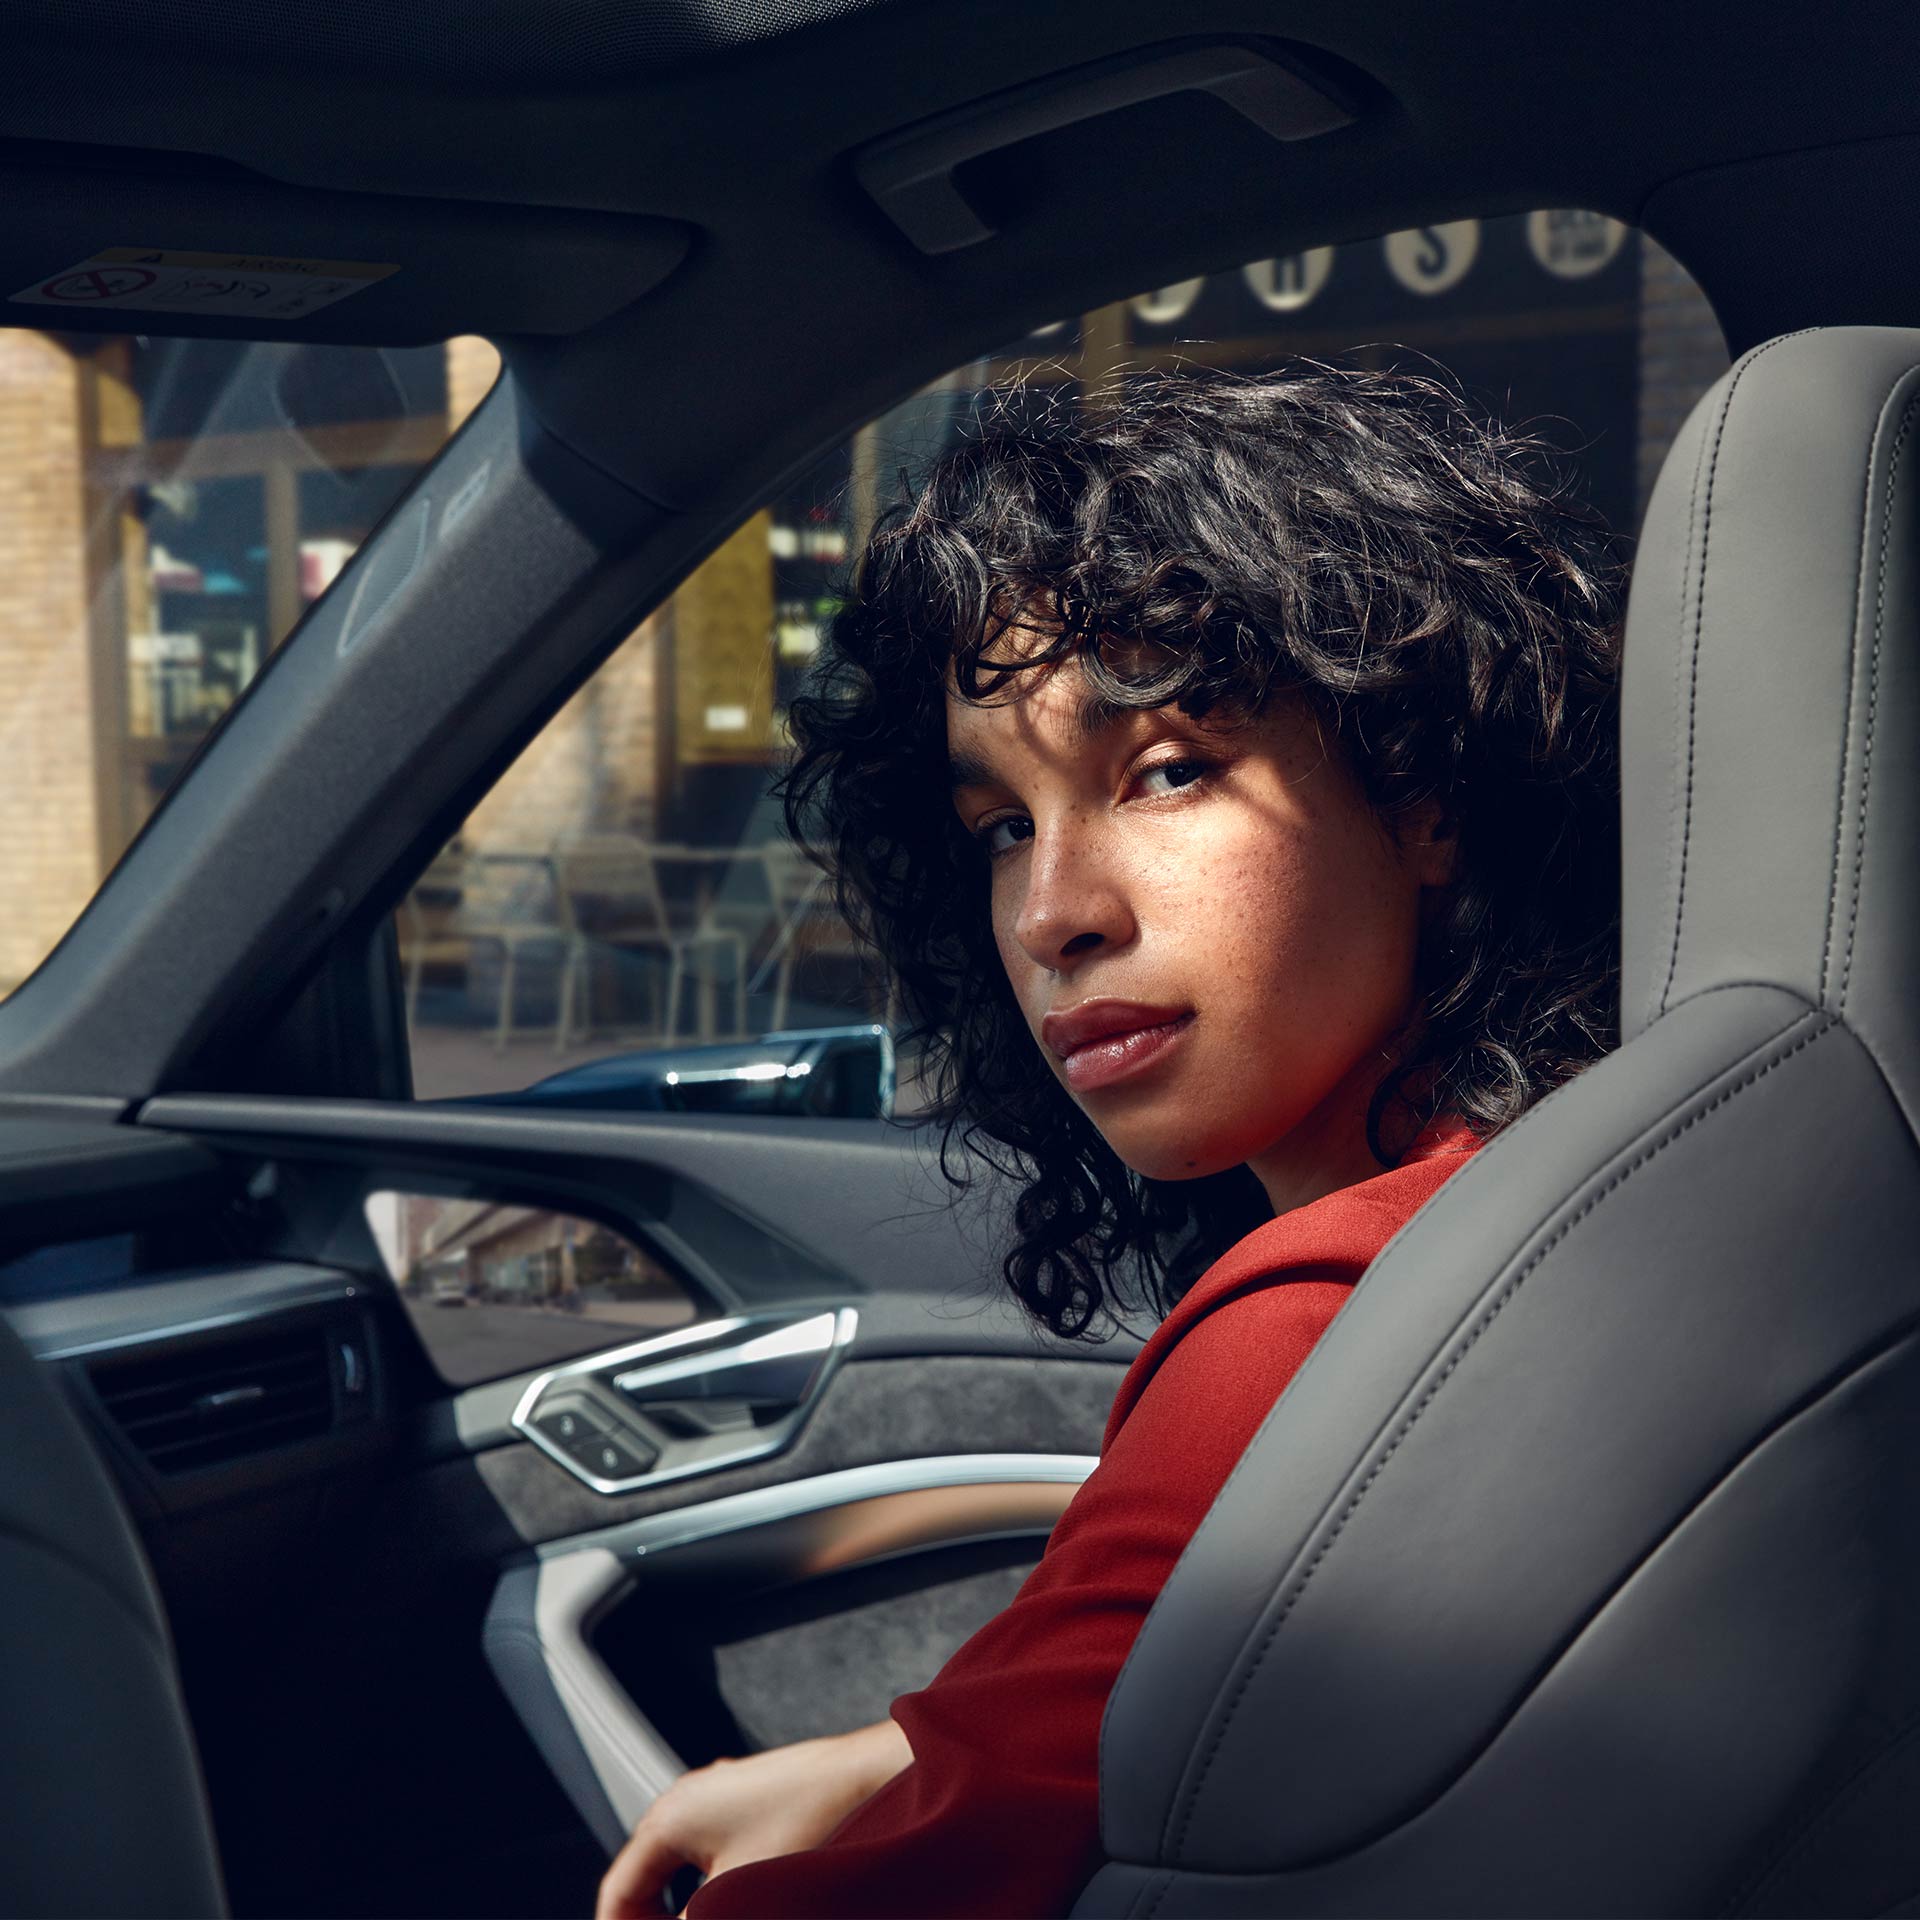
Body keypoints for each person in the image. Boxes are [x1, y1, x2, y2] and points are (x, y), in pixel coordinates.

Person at [595, 361, 1624, 1919]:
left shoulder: (1315, 1324)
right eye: (1003, 827)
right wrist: (900, 1756)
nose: (1056, 913)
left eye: (1165, 770)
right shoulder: (1566, 1192)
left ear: (1423, 793)